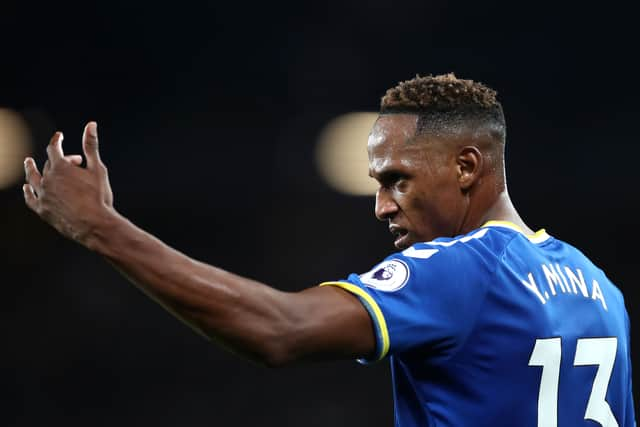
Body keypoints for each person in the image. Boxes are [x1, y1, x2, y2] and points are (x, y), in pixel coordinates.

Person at [23, 73, 635, 426]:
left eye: (398, 179)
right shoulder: (601, 288)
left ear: (467, 167)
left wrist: (101, 228)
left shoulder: (463, 269)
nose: (382, 205)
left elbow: (279, 329)